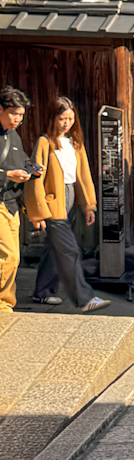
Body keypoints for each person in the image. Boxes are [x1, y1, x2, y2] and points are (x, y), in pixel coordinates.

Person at [26, 97, 110, 313]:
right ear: (53, 118)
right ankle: (85, 299)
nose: (66, 123)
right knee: (69, 250)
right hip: (53, 202)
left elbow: (84, 175)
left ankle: (42, 292)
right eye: (62, 118)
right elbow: (35, 178)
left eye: (70, 119)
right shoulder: (45, 142)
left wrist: (89, 205)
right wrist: (38, 212)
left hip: (71, 198)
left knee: (54, 249)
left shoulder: (75, 143)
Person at [0, 86, 38, 312]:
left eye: (21, 115)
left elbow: (21, 159)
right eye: (14, 114)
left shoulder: (13, 135)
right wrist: (7, 175)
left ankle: (6, 303)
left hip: (12, 203)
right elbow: (8, 170)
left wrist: (32, 168)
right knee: (10, 256)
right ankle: (2, 305)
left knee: (13, 257)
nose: (18, 119)